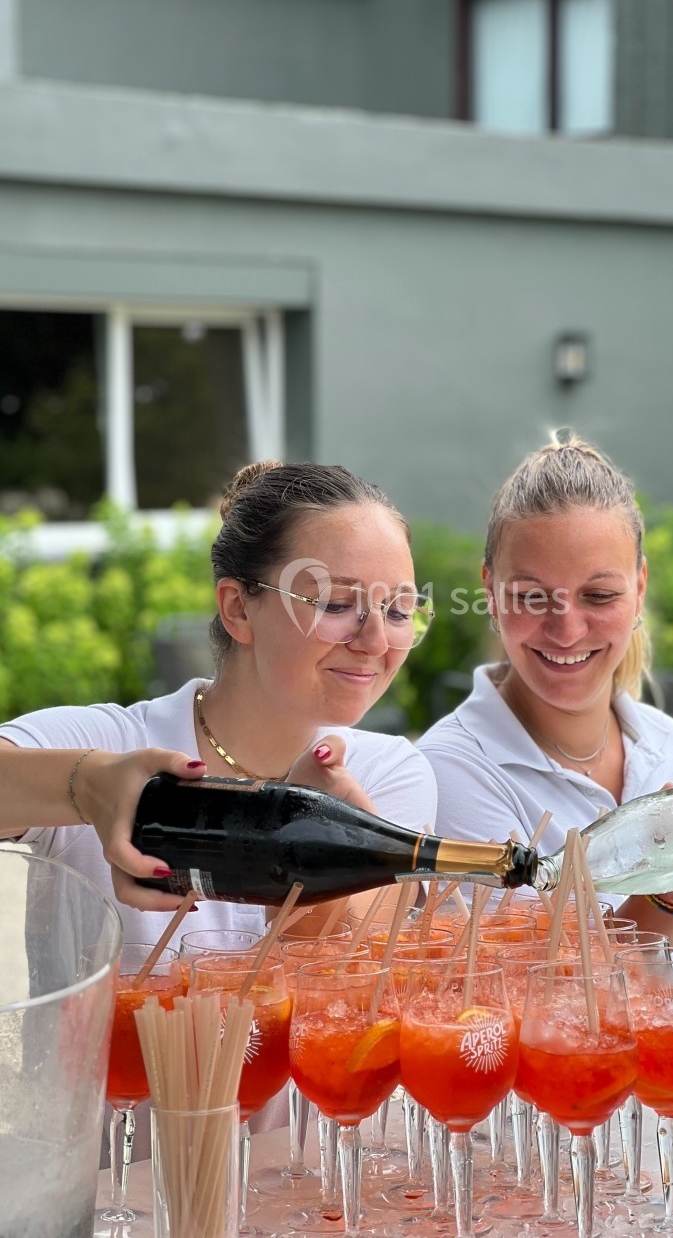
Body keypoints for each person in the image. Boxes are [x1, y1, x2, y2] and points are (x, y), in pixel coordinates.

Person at [0, 461, 438, 1147]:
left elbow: (333, 987)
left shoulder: (389, 775)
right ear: (238, 608)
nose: (376, 640)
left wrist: (321, 854)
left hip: (290, 1191)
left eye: (398, 609)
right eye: (335, 603)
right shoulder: (113, 744)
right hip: (104, 1197)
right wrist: (85, 785)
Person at [418, 435, 673, 980]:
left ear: (639, 588)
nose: (567, 629)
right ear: (490, 593)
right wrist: (667, 903)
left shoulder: (663, 741)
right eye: (533, 596)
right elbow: (526, 1002)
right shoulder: (451, 771)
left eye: (599, 595)